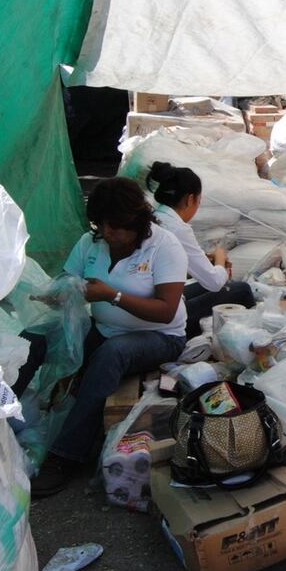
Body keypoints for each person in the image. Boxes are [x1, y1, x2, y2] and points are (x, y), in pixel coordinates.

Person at [31, 177, 188, 497]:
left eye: (116, 226)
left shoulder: (164, 246)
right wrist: (57, 293)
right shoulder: (91, 243)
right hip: (103, 329)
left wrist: (111, 295)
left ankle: (66, 455)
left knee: (110, 355)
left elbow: (166, 311)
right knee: (36, 337)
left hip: (158, 336)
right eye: (101, 224)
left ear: (137, 223)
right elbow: (68, 278)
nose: (107, 233)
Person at [146, 161, 255, 338]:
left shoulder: (155, 218)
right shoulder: (177, 229)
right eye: (198, 201)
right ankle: (248, 340)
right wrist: (220, 258)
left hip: (151, 301)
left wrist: (205, 260)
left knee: (205, 286)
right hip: (163, 316)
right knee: (240, 289)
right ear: (190, 199)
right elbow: (214, 282)